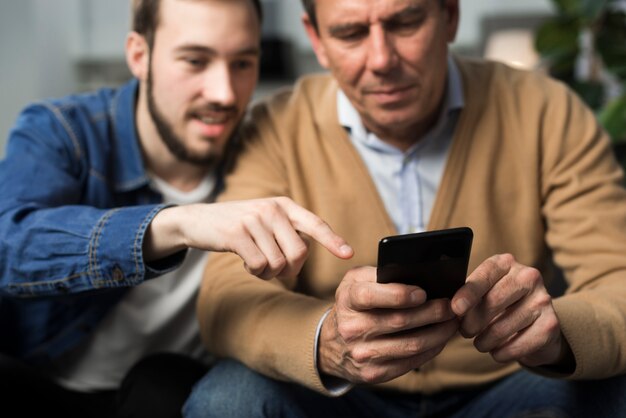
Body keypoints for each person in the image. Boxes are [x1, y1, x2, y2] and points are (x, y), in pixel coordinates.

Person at [183, 0, 626, 416]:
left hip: (508, 385)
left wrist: (554, 334)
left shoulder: (545, 111)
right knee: (228, 398)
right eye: (350, 33)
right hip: (343, 396)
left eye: (405, 22)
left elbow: (617, 279)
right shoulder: (276, 129)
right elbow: (226, 296)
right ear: (315, 39)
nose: (381, 60)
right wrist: (326, 342)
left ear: (449, 15)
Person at [0, 0, 353, 416]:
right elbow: (10, 244)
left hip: (170, 395)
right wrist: (177, 223)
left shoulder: (265, 152)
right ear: (139, 55)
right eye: (195, 61)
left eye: (242, 63)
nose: (223, 93)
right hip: (45, 382)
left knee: (173, 383)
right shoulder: (66, 132)